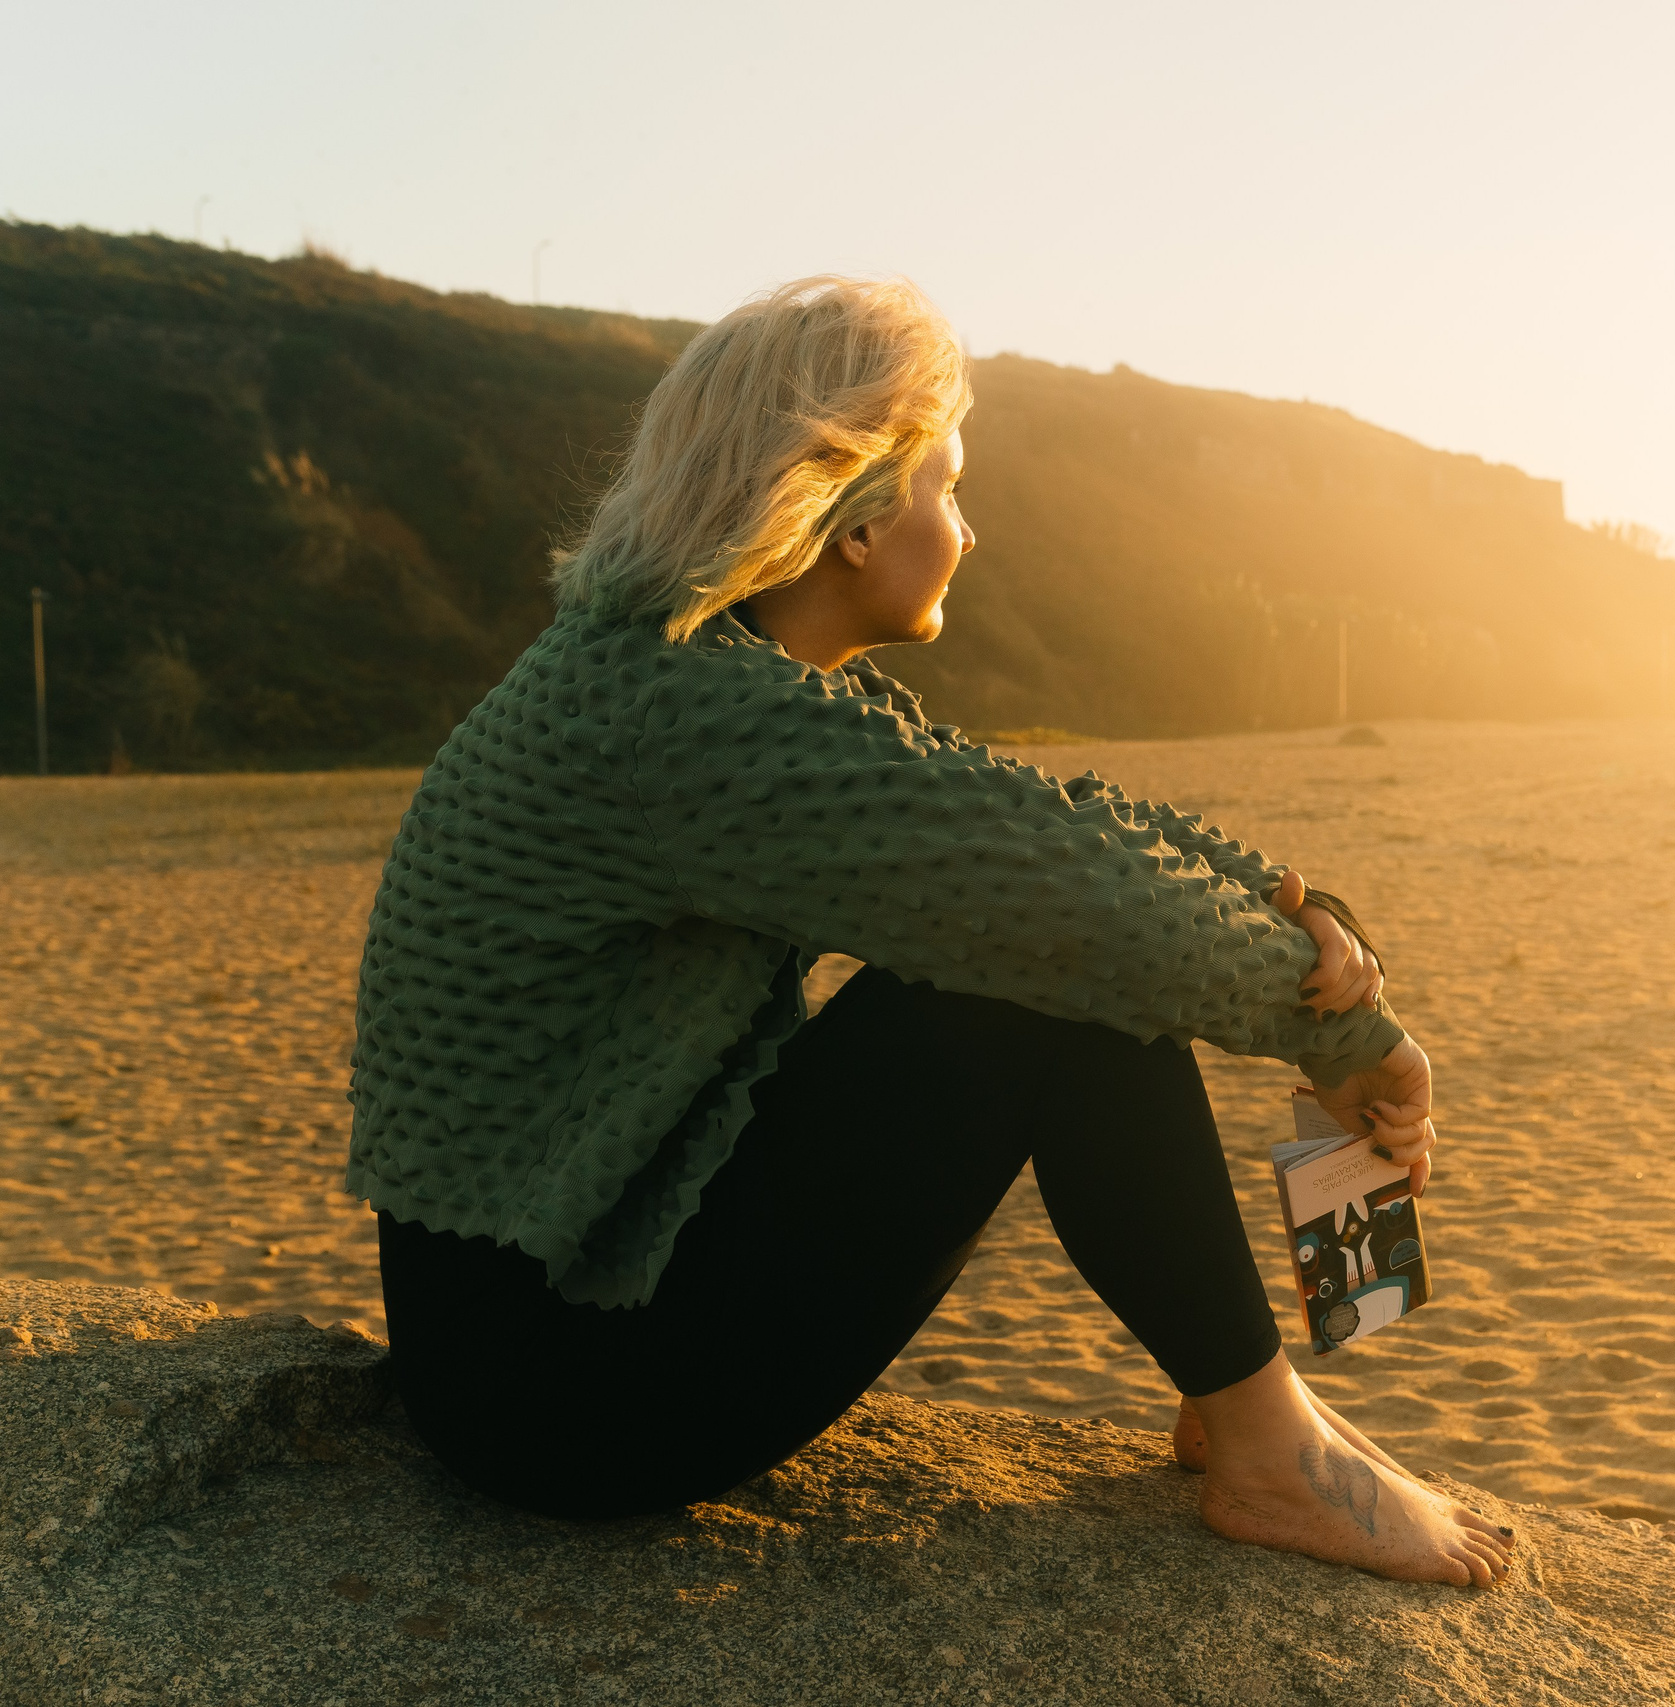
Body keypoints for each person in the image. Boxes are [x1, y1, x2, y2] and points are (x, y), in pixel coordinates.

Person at [346, 276, 1513, 1588]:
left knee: (1031, 944)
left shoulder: (675, 674)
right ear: (854, 514)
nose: (968, 527)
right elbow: (1058, 892)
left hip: (554, 1317)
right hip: (560, 1390)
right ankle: (1262, 1443)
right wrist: (1349, 1033)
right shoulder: (684, 719)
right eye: (948, 486)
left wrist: (1312, 925)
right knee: (1038, 985)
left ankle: (1239, 1397)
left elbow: (1040, 821)